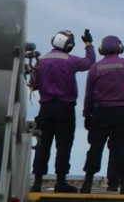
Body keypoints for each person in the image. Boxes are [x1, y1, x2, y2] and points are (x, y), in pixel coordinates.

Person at [79, 18, 124, 195]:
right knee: (122, 147)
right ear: (120, 48)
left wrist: (87, 115)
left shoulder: (95, 68)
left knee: (95, 147)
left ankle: (87, 181)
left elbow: (88, 94)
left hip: (100, 113)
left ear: (101, 50)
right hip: (121, 112)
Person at [29, 28, 96, 193]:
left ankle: (37, 182)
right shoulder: (70, 60)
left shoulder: (40, 61)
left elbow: (33, 85)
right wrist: (89, 45)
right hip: (65, 107)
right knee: (64, 146)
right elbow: (90, 62)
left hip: (45, 107)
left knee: (42, 145)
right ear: (69, 45)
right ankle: (60, 181)